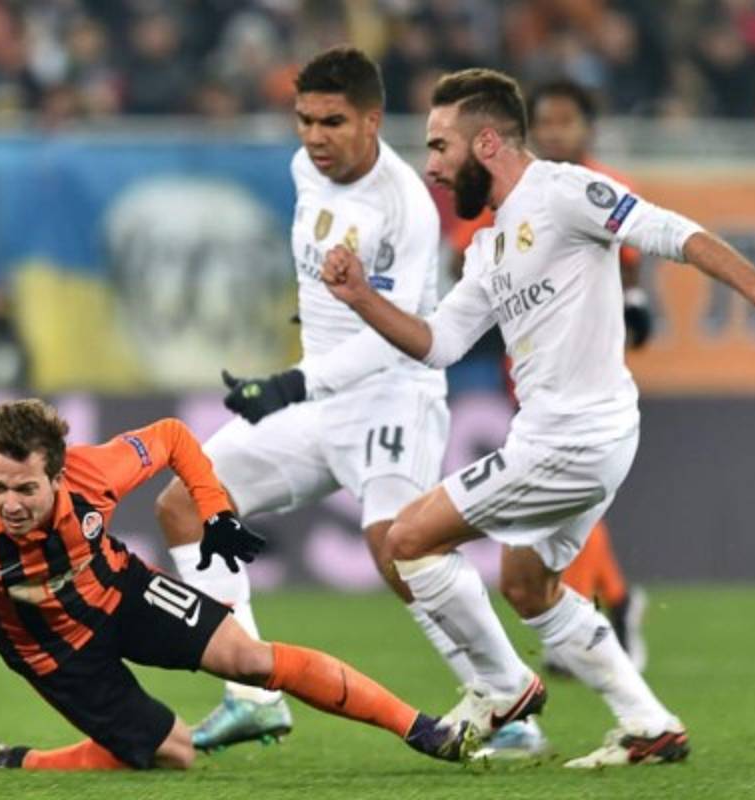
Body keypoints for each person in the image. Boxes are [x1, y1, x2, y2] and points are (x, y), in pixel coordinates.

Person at [321, 67, 755, 768]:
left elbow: (668, 230)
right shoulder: (490, 243)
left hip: (573, 437)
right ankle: (648, 724)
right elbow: (439, 344)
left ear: (487, 143)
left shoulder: (562, 191)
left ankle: (502, 688)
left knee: (405, 539)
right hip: (575, 434)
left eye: (440, 146)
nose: (431, 166)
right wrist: (361, 299)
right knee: (527, 584)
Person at [153, 46, 544, 756]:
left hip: (393, 398)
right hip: (321, 399)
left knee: (396, 544)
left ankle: (508, 705)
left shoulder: (405, 207)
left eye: (331, 121)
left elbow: (401, 337)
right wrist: (310, 340)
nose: (314, 137)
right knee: (186, 504)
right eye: (304, 120)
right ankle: (251, 693)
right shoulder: (305, 170)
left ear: (372, 120)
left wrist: (291, 383)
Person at [0, 399, 468, 777]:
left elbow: (172, 436)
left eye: (26, 489)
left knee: (251, 660)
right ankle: (22, 759)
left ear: (58, 475)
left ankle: (420, 727)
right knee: (175, 753)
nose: (9, 503)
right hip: (56, 654)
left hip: (123, 591)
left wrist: (215, 511)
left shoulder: (95, 472)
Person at [451, 78, 653, 677]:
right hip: (529, 377)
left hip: (584, 376)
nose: (557, 132)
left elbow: (633, 258)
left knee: (567, 496)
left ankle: (589, 612)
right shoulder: (514, 193)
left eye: (568, 121)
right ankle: (612, 603)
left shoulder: (602, 187)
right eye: (548, 122)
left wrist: (636, 306)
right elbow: (464, 250)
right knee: (572, 503)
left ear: (589, 128)